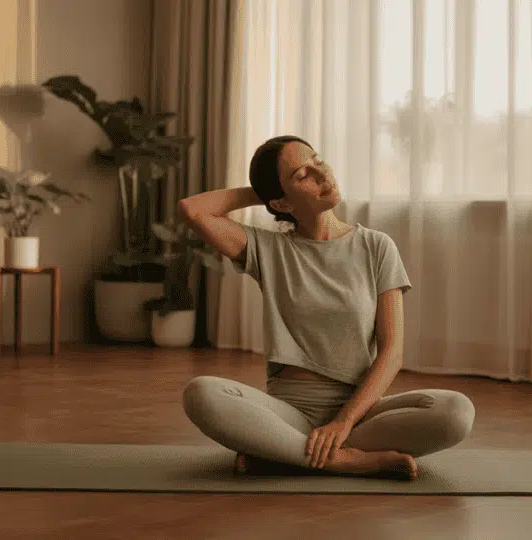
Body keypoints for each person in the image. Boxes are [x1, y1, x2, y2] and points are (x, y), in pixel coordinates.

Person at [178, 135, 475, 480]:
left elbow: (392, 352)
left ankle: (281, 452)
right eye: (302, 175)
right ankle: (342, 461)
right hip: (288, 410)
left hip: (360, 414)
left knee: (455, 411)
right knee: (201, 393)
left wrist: (343, 422)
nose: (321, 175)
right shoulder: (268, 249)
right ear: (282, 202)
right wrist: (264, 193)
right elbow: (193, 210)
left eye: (317, 160)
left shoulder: (376, 246)